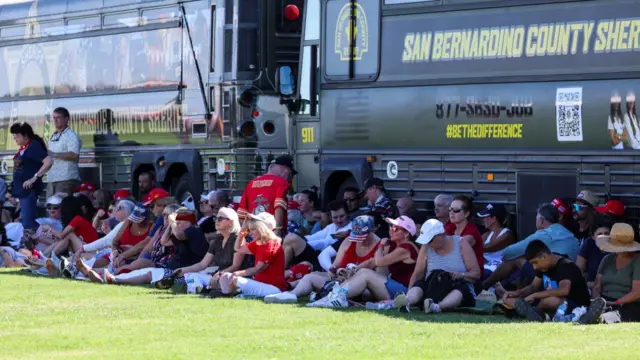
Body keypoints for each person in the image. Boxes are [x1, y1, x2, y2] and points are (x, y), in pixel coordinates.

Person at [264, 215, 380, 305]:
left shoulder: (380, 246)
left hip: (361, 287)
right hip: (340, 281)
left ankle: (324, 296)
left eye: (363, 236)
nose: (360, 240)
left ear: (373, 230)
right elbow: (335, 265)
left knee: (366, 291)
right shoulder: (349, 241)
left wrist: (354, 273)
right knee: (309, 277)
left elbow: (379, 279)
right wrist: (335, 271)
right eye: (357, 236)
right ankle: (291, 295)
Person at [311, 216, 419, 309]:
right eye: (391, 226)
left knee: (366, 274)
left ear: (406, 233)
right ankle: (333, 296)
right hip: (394, 288)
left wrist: (381, 246)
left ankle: (335, 297)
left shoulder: (406, 247)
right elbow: (372, 262)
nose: (391, 230)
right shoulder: (394, 244)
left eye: (395, 228)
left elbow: (379, 261)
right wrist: (354, 269)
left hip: (403, 293)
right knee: (363, 272)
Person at [395, 219, 480, 314]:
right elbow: (417, 274)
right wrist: (410, 290)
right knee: (420, 284)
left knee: (461, 289)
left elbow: (476, 273)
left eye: (430, 240)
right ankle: (407, 301)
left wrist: (462, 275)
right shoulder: (426, 247)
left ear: (441, 234)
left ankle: (436, 307)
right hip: (433, 285)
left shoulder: (460, 243)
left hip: (457, 284)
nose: (428, 243)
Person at [504, 240, 591, 322]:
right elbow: (534, 286)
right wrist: (519, 293)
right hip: (553, 304)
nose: (534, 267)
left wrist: (535, 295)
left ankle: (536, 313)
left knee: (549, 300)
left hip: (576, 305)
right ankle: (533, 312)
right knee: (508, 299)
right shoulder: (542, 266)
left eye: (535, 262)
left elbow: (564, 290)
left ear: (544, 256)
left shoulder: (565, 265)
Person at [165, 207, 244, 293]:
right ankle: (201, 290)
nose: (216, 221)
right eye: (216, 218)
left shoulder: (238, 239)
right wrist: (182, 270)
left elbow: (236, 266)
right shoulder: (217, 240)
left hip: (233, 277)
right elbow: (202, 264)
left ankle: (202, 290)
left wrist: (220, 274)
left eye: (220, 219)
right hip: (217, 276)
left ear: (231, 222)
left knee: (216, 280)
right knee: (190, 276)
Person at [216, 212, 287, 297]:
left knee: (228, 277)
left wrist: (237, 273)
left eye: (253, 229)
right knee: (225, 277)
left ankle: (225, 295)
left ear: (262, 228)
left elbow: (258, 269)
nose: (250, 233)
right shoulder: (259, 242)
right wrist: (243, 230)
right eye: (250, 230)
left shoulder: (270, 243)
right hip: (261, 285)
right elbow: (238, 248)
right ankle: (226, 294)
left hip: (273, 288)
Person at [582, 223, 640, 324]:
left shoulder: (637, 260)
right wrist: (597, 301)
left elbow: (636, 292)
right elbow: (597, 286)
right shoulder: (607, 259)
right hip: (605, 301)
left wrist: (616, 303)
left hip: (629, 303)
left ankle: (601, 318)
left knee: (617, 315)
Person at [236, 154, 296, 236]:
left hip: (253, 234)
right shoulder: (281, 182)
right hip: (271, 233)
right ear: (284, 168)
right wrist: (278, 231)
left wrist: (246, 234)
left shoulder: (250, 183)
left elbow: (242, 214)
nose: (289, 177)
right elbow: (279, 207)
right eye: (290, 173)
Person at [10, 122, 53, 232]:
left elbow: (48, 161)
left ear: (25, 135)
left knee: (28, 223)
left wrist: (34, 177)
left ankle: (52, 237)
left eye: (17, 134)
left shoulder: (33, 146)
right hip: (21, 191)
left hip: (29, 190)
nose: (14, 137)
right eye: (13, 135)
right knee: (24, 222)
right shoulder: (24, 148)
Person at [47, 107, 82, 198]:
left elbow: (74, 155)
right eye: (54, 118)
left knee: (63, 208)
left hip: (66, 179)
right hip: (52, 178)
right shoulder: (53, 136)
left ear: (66, 119)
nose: (55, 120)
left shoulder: (72, 136)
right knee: (51, 208)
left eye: (58, 117)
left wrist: (53, 154)